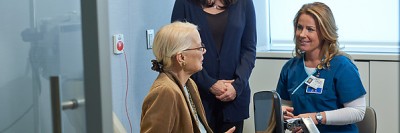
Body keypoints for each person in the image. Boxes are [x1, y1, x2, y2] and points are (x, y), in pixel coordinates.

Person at [276, 2, 367, 133]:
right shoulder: (290, 68)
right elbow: (286, 105)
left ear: (325, 32)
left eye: (310, 29)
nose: (302, 34)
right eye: (299, 27)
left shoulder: (342, 66)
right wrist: (283, 113)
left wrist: (317, 117)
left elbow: (358, 111)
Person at [171, 0, 257, 132]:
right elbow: (178, 50)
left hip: (234, 97)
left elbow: (249, 49)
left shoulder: (244, 3)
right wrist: (209, 84)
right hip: (198, 95)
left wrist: (237, 86)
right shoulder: (184, 3)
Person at [140, 21, 235, 133]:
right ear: (181, 57)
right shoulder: (164, 92)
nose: (203, 52)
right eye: (199, 47)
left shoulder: (189, 84)